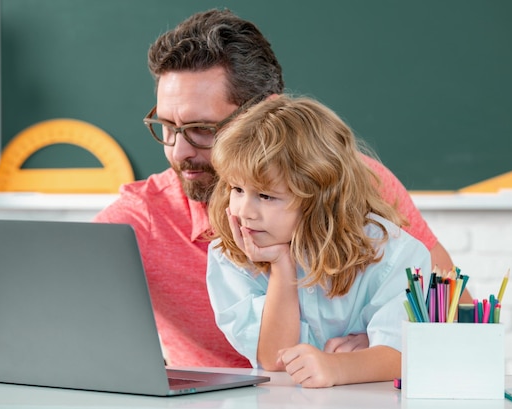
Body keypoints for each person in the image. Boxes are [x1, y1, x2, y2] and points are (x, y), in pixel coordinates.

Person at [93, 8, 465, 368]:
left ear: (263, 115)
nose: (178, 151)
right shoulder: (143, 217)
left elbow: (453, 313)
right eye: (167, 127)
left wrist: (382, 350)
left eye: (203, 129)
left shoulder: (354, 185)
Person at [206, 95, 430, 387]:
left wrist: (337, 367)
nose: (244, 211)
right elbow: (274, 360)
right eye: (236, 189)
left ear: (321, 197)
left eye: (265, 196)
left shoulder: (392, 253)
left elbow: (403, 354)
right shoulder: (231, 255)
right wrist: (281, 266)